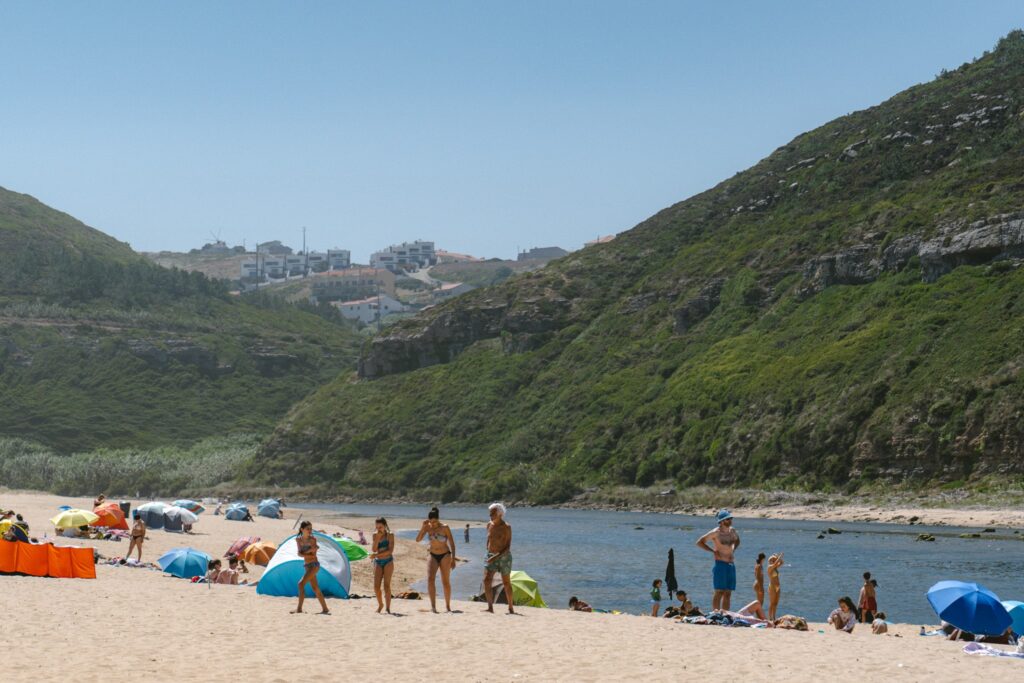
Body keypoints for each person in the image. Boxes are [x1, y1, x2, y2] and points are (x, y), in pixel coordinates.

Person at [696, 509, 740, 611]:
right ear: (722, 521)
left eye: (730, 518)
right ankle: (716, 613)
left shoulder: (732, 531)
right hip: (720, 564)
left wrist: (733, 549)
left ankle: (725, 613)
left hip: (731, 564)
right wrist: (713, 551)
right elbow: (699, 542)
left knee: (728, 592)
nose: (730, 520)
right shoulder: (715, 533)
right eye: (728, 519)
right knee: (719, 591)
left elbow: (737, 540)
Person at [415, 506, 457, 613]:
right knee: (430, 579)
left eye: (434, 522)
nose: (432, 524)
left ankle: (447, 606)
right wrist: (423, 527)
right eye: (431, 522)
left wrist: (453, 558)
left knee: (445, 581)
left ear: (438, 519)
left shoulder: (445, 527)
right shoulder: (427, 527)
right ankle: (433, 607)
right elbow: (418, 539)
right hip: (433, 554)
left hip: (445, 555)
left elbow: (452, 543)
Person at [292, 521, 330, 615]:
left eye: (310, 528)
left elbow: (312, 555)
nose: (310, 530)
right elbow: (299, 553)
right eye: (307, 528)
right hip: (307, 566)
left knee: (300, 584)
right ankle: (325, 609)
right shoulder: (298, 540)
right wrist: (309, 551)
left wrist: (306, 552)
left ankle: (299, 609)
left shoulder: (313, 539)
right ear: (302, 529)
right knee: (315, 588)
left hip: (314, 565)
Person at [483, 502, 514, 614]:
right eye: (490, 513)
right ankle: (490, 607)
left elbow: (508, 547)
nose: (490, 515)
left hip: (504, 557)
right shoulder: (489, 525)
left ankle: (510, 607)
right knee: (486, 580)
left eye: (493, 513)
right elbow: (489, 539)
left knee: (506, 582)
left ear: (500, 514)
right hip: (490, 555)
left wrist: (496, 557)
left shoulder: (507, 527)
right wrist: (488, 552)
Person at [370, 517, 395, 614]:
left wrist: (376, 555)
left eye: (380, 527)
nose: (378, 529)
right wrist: (377, 538)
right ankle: (380, 604)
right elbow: (374, 549)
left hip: (388, 561)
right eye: (377, 527)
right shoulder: (375, 535)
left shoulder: (390, 535)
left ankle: (388, 608)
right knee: (376, 587)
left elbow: (390, 551)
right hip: (378, 562)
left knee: (386, 586)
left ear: (385, 525)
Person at [766, 552, 783, 622]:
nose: (773, 561)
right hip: (772, 586)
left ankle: (774, 617)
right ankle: (769, 617)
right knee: (772, 602)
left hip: (777, 586)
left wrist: (777, 557)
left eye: (773, 560)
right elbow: (776, 563)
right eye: (771, 560)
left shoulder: (775, 567)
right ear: (769, 561)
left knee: (776, 603)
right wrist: (780, 556)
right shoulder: (769, 567)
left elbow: (782, 562)